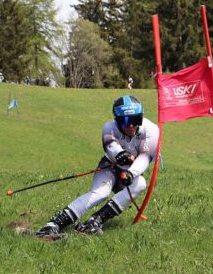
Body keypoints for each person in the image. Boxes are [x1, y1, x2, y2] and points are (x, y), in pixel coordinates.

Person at [36, 95, 159, 238]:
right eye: (125, 121)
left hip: (130, 171)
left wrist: (131, 173)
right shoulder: (109, 127)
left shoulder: (151, 129)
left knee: (141, 183)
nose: (131, 125)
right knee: (101, 193)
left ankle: (95, 221)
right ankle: (54, 224)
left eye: (135, 120)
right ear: (117, 120)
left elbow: (145, 156)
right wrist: (119, 153)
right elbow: (111, 147)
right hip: (110, 167)